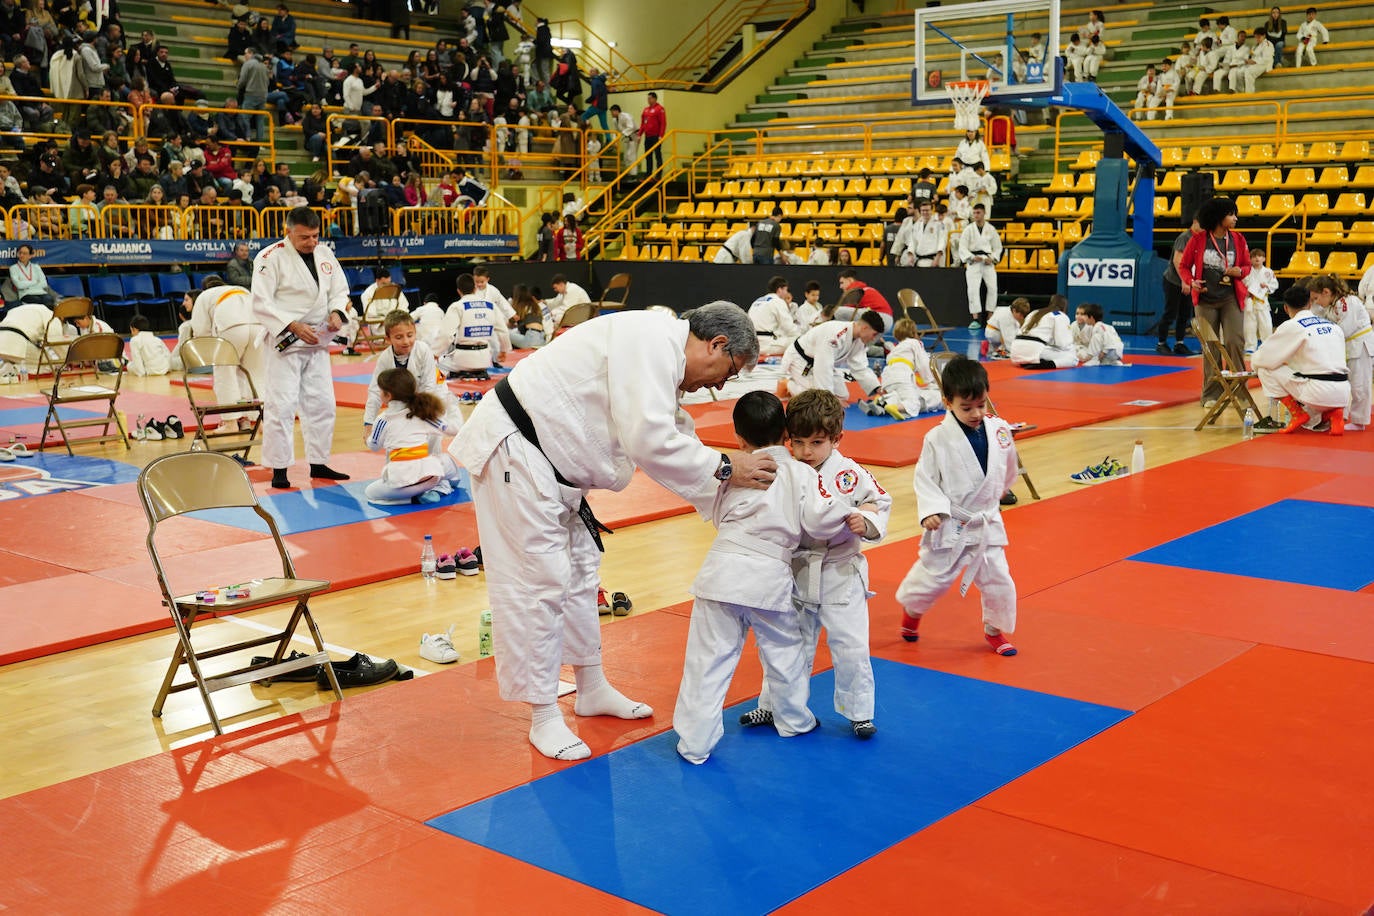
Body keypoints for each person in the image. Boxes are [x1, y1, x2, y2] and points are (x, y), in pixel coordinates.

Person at [450, 301, 778, 761]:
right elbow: (650, 441)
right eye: (730, 370)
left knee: (583, 571)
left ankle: (591, 685)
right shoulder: (651, 341)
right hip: (517, 455)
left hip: (554, 471)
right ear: (716, 344)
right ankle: (543, 715)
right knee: (537, 585)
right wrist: (726, 466)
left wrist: (726, 499)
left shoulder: (661, 353)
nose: (722, 384)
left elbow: (674, 433)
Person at [672, 391, 869, 764]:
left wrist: (680, 421)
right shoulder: (800, 472)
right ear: (785, 434)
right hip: (768, 578)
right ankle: (794, 721)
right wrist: (858, 515)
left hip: (720, 571)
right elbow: (819, 519)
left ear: (739, 439)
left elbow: (690, 479)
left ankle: (694, 743)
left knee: (707, 661)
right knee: (785, 653)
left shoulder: (728, 468)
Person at [896, 355, 1021, 655]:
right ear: (947, 401)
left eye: (981, 404)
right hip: (952, 523)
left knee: (999, 579)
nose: (976, 413)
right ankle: (911, 614)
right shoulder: (937, 438)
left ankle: (995, 630)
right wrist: (931, 511)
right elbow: (925, 477)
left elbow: (1008, 467)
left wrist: (997, 493)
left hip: (986, 522)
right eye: (966, 407)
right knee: (933, 579)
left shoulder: (999, 429)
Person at [249, 206, 352, 490]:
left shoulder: (325, 254)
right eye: (305, 237)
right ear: (288, 232)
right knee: (281, 406)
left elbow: (340, 291)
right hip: (286, 342)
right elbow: (260, 302)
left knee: (322, 404)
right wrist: (293, 325)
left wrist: (336, 312)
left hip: (317, 341)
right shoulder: (269, 258)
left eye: (315, 236)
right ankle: (279, 468)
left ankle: (318, 462)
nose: (312, 242)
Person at [1178, 197, 1250, 406]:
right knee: (1210, 346)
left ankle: (1240, 392)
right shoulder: (1198, 240)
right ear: (1219, 217)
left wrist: (1240, 271)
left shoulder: (1238, 239)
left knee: (1235, 342)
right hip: (1205, 300)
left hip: (1230, 298)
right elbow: (1183, 266)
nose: (1235, 218)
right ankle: (1211, 394)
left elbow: (1246, 266)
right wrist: (1191, 282)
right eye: (1231, 214)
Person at [1253, 285, 1350, 435]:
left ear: (1285, 308)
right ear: (1310, 304)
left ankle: (1297, 413)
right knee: (1308, 373)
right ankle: (1332, 412)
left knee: (1265, 369)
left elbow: (1263, 358)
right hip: (1343, 392)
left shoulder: (1292, 325)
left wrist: (1255, 364)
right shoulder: (1333, 326)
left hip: (1317, 392)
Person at [364, 368, 465, 505]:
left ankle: (412, 498)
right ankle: (440, 488)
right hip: (430, 477)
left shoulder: (383, 420)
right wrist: (453, 405)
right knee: (446, 461)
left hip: (401, 482)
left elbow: (374, 446)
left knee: (370, 493)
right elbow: (455, 429)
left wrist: (368, 439)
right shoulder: (422, 414)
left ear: (387, 395)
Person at [363, 309, 461, 430]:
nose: (406, 341)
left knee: (431, 436)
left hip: (433, 396)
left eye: (410, 335)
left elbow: (429, 387)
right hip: (406, 401)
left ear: (415, 333)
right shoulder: (385, 359)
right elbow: (375, 391)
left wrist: (420, 414)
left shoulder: (423, 350)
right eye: (399, 337)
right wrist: (369, 422)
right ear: (388, 339)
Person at [1308, 274, 1372, 431]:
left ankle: (1359, 421)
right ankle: (1340, 415)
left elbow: (1345, 329)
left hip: (1360, 345)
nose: (1317, 302)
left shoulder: (1347, 302)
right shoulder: (1332, 304)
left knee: (1359, 385)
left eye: (1317, 298)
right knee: (1344, 383)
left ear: (1326, 292)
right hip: (1347, 347)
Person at [780, 310, 883, 400]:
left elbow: (860, 368)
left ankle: (804, 385)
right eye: (874, 334)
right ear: (865, 328)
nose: (874, 339)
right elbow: (823, 367)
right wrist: (829, 399)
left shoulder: (859, 341)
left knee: (843, 396)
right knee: (816, 399)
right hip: (800, 360)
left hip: (820, 363)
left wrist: (877, 388)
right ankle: (788, 384)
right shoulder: (835, 334)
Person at [862, 318, 941, 419]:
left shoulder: (897, 349)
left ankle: (882, 401)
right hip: (902, 376)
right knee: (913, 403)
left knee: (901, 395)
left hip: (887, 378)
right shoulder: (914, 343)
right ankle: (895, 407)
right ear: (914, 332)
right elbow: (924, 363)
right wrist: (933, 381)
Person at [438, 272, 510, 379]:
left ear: (458, 291)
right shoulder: (490, 305)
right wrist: (504, 350)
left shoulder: (457, 306)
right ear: (475, 288)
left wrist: (435, 353)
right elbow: (503, 330)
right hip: (485, 360)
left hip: (462, 360)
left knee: (438, 364)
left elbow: (446, 334)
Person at [1159, 217, 1201, 354]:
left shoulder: (1201, 238)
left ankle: (1179, 343)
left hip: (1189, 282)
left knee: (1185, 313)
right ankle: (1162, 342)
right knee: (1170, 312)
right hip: (1174, 281)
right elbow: (1178, 260)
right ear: (1195, 222)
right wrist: (1185, 280)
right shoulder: (1185, 237)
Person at [960, 204, 1001, 329]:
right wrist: (971, 257)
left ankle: (990, 317)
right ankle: (976, 319)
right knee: (973, 290)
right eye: (974, 213)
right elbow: (962, 247)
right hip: (973, 261)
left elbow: (998, 247)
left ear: (984, 213)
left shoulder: (991, 229)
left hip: (987, 261)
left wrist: (992, 258)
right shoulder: (968, 229)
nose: (976, 215)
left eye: (978, 212)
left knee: (993, 288)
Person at [1010, 294, 1075, 368]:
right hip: (1035, 350)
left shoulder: (1035, 312)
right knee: (1072, 358)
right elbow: (1062, 343)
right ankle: (1046, 364)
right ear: (1065, 307)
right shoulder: (1060, 315)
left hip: (1015, 353)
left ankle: (1031, 361)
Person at [748, 276, 798, 357]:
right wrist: (803, 335)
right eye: (786, 290)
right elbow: (789, 328)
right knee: (798, 340)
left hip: (752, 345)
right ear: (779, 289)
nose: (786, 293)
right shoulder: (778, 301)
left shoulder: (757, 301)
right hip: (767, 346)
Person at [1242, 248, 1277, 355]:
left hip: (1262, 301)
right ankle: (1250, 347)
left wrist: (1267, 286)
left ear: (1264, 259)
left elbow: (1275, 285)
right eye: (1254, 256)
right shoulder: (1246, 271)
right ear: (1250, 259)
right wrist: (1245, 292)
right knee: (1249, 325)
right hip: (1249, 301)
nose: (1257, 258)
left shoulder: (1268, 272)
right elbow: (1241, 284)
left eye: (1260, 256)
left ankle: (1267, 346)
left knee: (1266, 325)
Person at [639, 91, 665, 174]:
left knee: (657, 155)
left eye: (650, 98)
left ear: (654, 99)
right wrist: (639, 134)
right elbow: (643, 123)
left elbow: (663, 123)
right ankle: (648, 174)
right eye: (648, 98)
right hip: (648, 136)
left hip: (656, 136)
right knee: (648, 156)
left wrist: (661, 135)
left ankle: (658, 174)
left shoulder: (660, 109)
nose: (648, 100)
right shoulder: (646, 110)